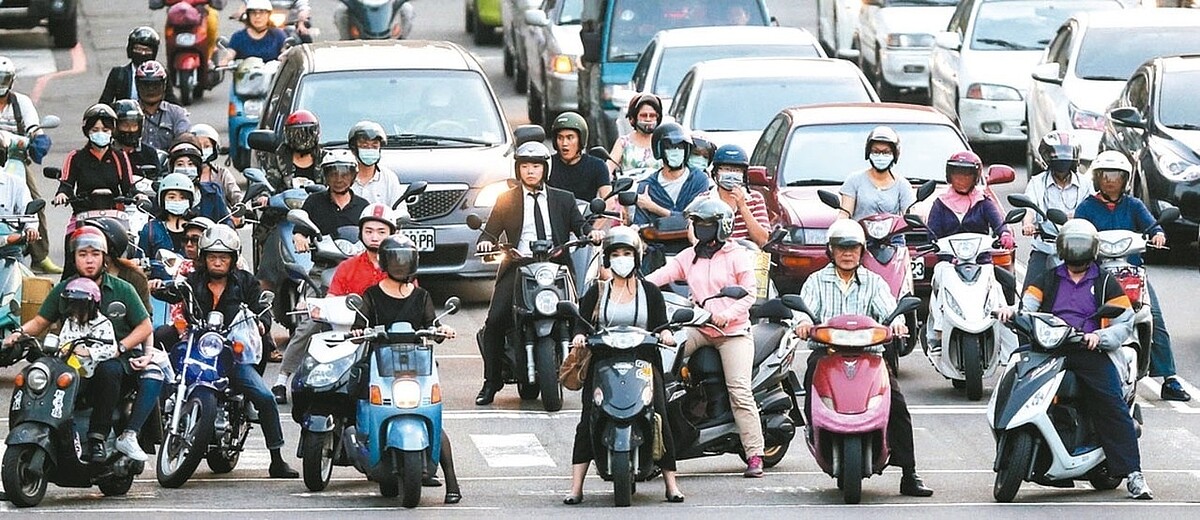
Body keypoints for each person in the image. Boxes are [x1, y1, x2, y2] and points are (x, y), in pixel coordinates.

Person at [995, 219, 1152, 500]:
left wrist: (1099, 338)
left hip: (1087, 350)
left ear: (1091, 251)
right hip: (1048, 347)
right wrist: (1011, 312)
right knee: (1013, 376)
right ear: (1062, 249)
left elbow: (1125, 322)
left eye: (1081, 247)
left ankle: (1134, 474)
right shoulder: (1048, 278)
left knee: (1110, 403)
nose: (1076, 253)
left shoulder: (1106, 283)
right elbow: (1027, 307)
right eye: (1071, 246)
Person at [792, 219, 935, 497]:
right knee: (810, 383)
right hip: (827, 353)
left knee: (898, 405)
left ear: (862, 250)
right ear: (830, 250)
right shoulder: (816, 281)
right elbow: (804, 310)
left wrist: (897, 323)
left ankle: (909, 473)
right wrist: (801, 323)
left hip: (870, 357)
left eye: (853, 248)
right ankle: (814, 427)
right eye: (841, 248)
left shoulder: (874, 282)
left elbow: (891, 310)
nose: (847, 253)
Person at [153, 223, 299, 478]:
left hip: (231, 352)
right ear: (203, 258)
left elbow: (262, 309)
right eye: (212, 257)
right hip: (197, 346)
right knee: (166, 375)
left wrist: (262, 324)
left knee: (264, 397)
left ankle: (276, 458)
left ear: (232, 260)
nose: (217, 262)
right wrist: (160, 287)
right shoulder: (192, 281)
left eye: (223, 257)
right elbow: (173, 292)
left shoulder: (246, 282)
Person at [3, 227, 153, 463]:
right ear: (74, 258)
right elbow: (42, 320)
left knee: (109, 370)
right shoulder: (65, 290)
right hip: (73, 356)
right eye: (83, 254)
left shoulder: (122, 289)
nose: (89, 260)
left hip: (114, 356)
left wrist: (120, 348)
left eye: (95, 254)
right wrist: (17, 334)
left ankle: (97, 437)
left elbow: (145, 326)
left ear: (104, 257)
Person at [474, 141, 603, 405]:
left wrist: (592, 234)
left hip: (557, 266)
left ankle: (593, 377)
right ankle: (491, 381)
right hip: (519, 265)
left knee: (584, 315)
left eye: (535, 166)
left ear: (545, 168)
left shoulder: (563, 198)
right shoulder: (506, 199)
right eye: (525, 166)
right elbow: (490, 231)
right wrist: (485, 242)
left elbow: (581, 227)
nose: (530, 171)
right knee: (495, 320)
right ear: (518, 169)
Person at [644, 198, 765, 478]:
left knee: (739, 391)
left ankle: (755, 453)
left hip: (732, 333)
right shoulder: (690, 255)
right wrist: (633, 283)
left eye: (706, 224)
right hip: (699, 327)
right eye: (697, 223)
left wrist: (728, 314)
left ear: (721, 227)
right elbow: (662, 275)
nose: (700, 228)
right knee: (660, 361)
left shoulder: (737, 255)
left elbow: (749, 293)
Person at [564, 227, 684, 505]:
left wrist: (665, 334)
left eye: (627, 253)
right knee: (587, 418)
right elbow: (580, 324)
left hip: (643, 363)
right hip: (603, 363)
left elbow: (662, 326)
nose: (621, 258)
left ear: (637, 257)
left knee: (660, 416)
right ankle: (575, 487)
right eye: (616, 254)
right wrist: (579, 337)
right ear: (607, 258)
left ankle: (671, 484)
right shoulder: (597, 291)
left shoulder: (650, 292)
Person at [350, 235, 461, 503]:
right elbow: (358, 325)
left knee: (431, 415)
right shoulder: (371, 295)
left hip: (417, 365)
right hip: (380, 362)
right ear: (385, 262)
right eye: (396, 259)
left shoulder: (422, 296)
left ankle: (452, 483)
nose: (401, 265)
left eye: (406, 259)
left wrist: (441, 330)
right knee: (356, 394)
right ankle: (361, 444)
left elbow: (432, 325)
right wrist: (358, 331)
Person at [1073, 150, 1190, 402]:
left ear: (1126, 179)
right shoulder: (1086, 207)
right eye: (1105, 175)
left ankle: (1169, 379)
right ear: (1097, 178)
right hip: (1097, 275)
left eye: (1116, 175)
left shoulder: (1134, 205)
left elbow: (1153, 226)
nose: (1110, 180)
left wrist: (1158, 234)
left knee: (1154, 317)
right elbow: (1077, 230)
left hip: (1132, 274)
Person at [272, 202, 397, 403]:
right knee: (309, 326)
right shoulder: (347, 266)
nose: (374, 237)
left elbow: (413, 297)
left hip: (387, 323)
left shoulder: (400, 264)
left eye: (381, 231)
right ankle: (282, 379)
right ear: (361, 233)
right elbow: (332, 297)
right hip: (349, 324)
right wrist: (317, 306)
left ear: (392, 233)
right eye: (369, 231)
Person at [924, 151, 1017, 352]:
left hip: (981, 263)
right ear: (949, 175)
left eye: (966, 174)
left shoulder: (983, 201)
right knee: (939, 277)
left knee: (998, 292)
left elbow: (999, 224)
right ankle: (938, 333)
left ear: (975, 177)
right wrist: (933, 244)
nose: (961, 179)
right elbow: (931, 233)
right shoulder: (940, 203)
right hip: (949, 263)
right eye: (957, 174)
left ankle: (1010, 350)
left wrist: (1005, 235)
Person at [53, 104, 138, 254]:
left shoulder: (120, 156)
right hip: (83, 215)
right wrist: (62, 195)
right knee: (71, 244)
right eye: (95, 130)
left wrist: (139, 196)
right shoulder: (76, 157)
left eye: (105, 130)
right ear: (87, 132)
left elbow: (129, 187)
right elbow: (66, 184)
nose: (100, 134)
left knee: (131, 249)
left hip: (114, 216)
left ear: (112, 131)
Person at [0, 56, 57, 273]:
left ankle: (40, 255)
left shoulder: (21, 102)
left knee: (34, 201)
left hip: (15, 159)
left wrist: (37, 140)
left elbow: (35, 129)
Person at [1021, 130, 1092, 290]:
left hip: (1081, 249)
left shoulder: (1087, 184)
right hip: (1046, 247)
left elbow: (1094, 207)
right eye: (1057, 154)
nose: (1062, 159)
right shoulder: (1037, 182)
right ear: (1047, 157)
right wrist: (1028, 224)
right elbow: (1029, 207)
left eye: (1066, 154)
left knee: (1100, 287)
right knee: (1028, 296)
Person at [631, 122, 711, 226]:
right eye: (670, 147)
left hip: (692, 240)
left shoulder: (699, 179)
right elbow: (640, 227)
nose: (676, 151)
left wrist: (654, 208)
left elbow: (696, 220)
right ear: (659, 150)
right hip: (656, 242)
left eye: (680, 147)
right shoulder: (646, 187)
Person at [293, 149, 371, 254]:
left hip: (355, 264)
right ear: (326, 176)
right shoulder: (314, 202)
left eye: (344, 175)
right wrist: (300, 238)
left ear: (353, 176)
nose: (339, 180)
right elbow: (300, 231)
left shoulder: (363, 206)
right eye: (333, 175)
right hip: (323, 264)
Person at [839, 126, 915, 220]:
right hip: (859, 233)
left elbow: (910, 214)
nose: (881, 156)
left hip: (894, 234)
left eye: (886, 152)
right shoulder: (854, 180)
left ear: (895, 155)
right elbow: (845, 213)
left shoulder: (902, 185)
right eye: (876, 152)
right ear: (868, 153)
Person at [701, 144, 770, 247]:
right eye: (726, 169)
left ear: (744, 175)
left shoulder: (755, 199)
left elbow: (762, 240)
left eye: (737, 170)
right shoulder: (704, 200)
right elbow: (695, 237)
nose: (731, 174)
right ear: (715, 173)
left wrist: (743, 207)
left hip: (747, 257)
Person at [547, 111, 611, 202]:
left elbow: (607, 198)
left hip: (587, 215)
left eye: (570, 138)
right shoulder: (548, 165)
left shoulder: (597, 166)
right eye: (560, 138)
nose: (564, 143)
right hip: (554, 215)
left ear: (581, 139)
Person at [135, 60, 191, 152]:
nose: (151, 90)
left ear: (164, 86)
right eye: (146, 85)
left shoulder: (177, 113)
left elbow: (185, 140)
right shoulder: (130, 112)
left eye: (155, 85)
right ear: (138, 86)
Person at [347, 120, 404, 208]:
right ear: (353, 149)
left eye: (374, 146)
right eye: (364, 146)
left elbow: (400, 211)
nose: (370, 150)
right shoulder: (343, 177)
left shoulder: (389, 178)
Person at [100, 27, 160, 106]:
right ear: (130, 50)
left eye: (147, 50)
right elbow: (105, 103)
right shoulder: (118, 74)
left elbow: (172, 104)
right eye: (138, 49)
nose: (143, 53)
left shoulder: (161, 74)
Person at [607, 93, 663, 178]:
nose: (648, 119)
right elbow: (608, 168)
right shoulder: (623, 143)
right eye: (643, 115)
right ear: (633, 118)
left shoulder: (663, 142)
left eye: (652, 116)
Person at [140, 172, 195, 257]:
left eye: (182, 197)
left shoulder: (197, 227)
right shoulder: (151, 229)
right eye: (172, 197)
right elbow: (140, 261)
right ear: (162, 200)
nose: (177, 201)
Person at [190, 123, 244, 207]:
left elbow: (237, 196)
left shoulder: (222, 173)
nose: (202, 149)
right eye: (198, 146)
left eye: (206, 146)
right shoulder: (182, 173)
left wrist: (243, 209)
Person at [112, 99, 164, 180]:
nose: (130, 129)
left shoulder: (149, 153)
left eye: (134, 125)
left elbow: (158, 178)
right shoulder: (108, 153)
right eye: (125, 125)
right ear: (115, 127)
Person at [225, 0, 289, 63]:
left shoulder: (278, 35)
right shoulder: (238, 36)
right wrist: (225, 61)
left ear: (268, 14)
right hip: (244, 72)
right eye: (253, 13)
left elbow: (286, 53)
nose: (257, 16)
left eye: (262, 12)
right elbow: (230, 54)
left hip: (273, 73)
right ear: (248, 15)